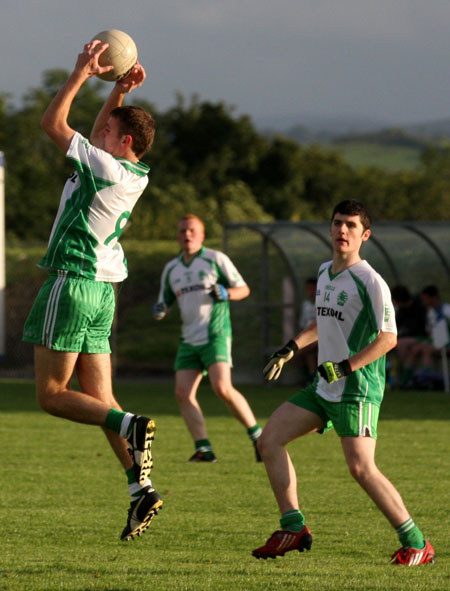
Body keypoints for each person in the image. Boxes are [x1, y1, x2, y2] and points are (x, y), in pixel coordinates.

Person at [22, 39, 162, 541]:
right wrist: (119, 91)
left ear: (122, 142)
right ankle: (139, 489)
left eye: (108, 128)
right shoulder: (132, 170)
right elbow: (109, 130)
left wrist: (81, 73)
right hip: (103, 293)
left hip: (73, 284)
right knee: (102, 398)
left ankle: (131, 426)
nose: (100, 127)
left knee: (52, 395)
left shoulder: (102, 166)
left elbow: (51, 125)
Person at [252, 200, 434, 565]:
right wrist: (290, 348)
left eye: (351, 225)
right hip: (324, 387)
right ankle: (293, 526)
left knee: (361, 468)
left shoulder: (370, 280)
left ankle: (417, 543)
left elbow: (389, 338)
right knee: (269, 439)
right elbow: (323, 322)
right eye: (337, 223)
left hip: (357, 388)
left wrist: (344, 367)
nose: (342, 231)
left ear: (365, 235)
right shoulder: (324, 272)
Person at [152, 214, 262, 462]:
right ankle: (204, 449)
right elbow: (164, 301)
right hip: (188, 340)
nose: (186, 235)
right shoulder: (172, 268)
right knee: (182, 393)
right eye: (182, 231)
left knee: (222, 388)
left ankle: (258, 438)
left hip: (215, 334)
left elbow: (243, 289)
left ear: (202, 235)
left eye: (192, 231)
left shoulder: (215, 259)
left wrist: (227, 292)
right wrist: (160, 309)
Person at [390, 285, 427, 388]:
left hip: (421, 337)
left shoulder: (419, 307)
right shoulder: (401, 311)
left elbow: (420, 328)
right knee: (410, 353)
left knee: (401, 343)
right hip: (410, 342)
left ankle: (405, 378)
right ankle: (407, 381)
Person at [296, 277, 318, 384]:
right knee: (288, 350)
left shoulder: (324, 303)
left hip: (321, 337)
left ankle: (312, 377)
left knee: (305, 350)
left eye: (313, 289)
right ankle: (310, 376)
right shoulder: (305, 305)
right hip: (307, 337)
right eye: (308, 289)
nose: (311, 292)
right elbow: (302, 325)